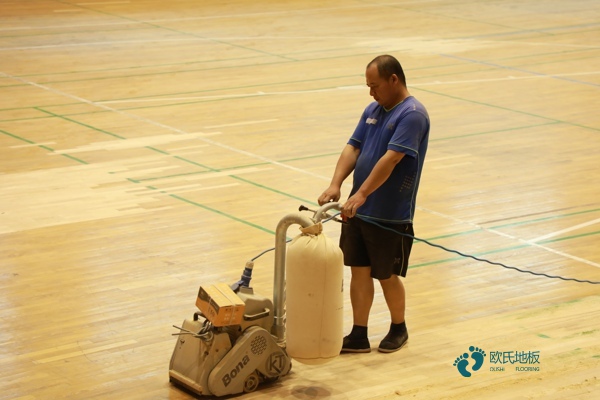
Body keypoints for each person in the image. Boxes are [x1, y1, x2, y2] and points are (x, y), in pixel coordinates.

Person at [318, 54, 430, 353]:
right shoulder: (373, 109)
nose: (371, 92)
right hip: (358, 210)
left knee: (386, 274)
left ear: (394, 79)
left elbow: (392, 158)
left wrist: (362, 193)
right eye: (368, 86)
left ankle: (398, 327)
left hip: (389, 215)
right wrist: (336, 183)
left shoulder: (412, 114)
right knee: (359, 270)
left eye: (375, 85)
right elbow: (353, 147)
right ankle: (359, 333)